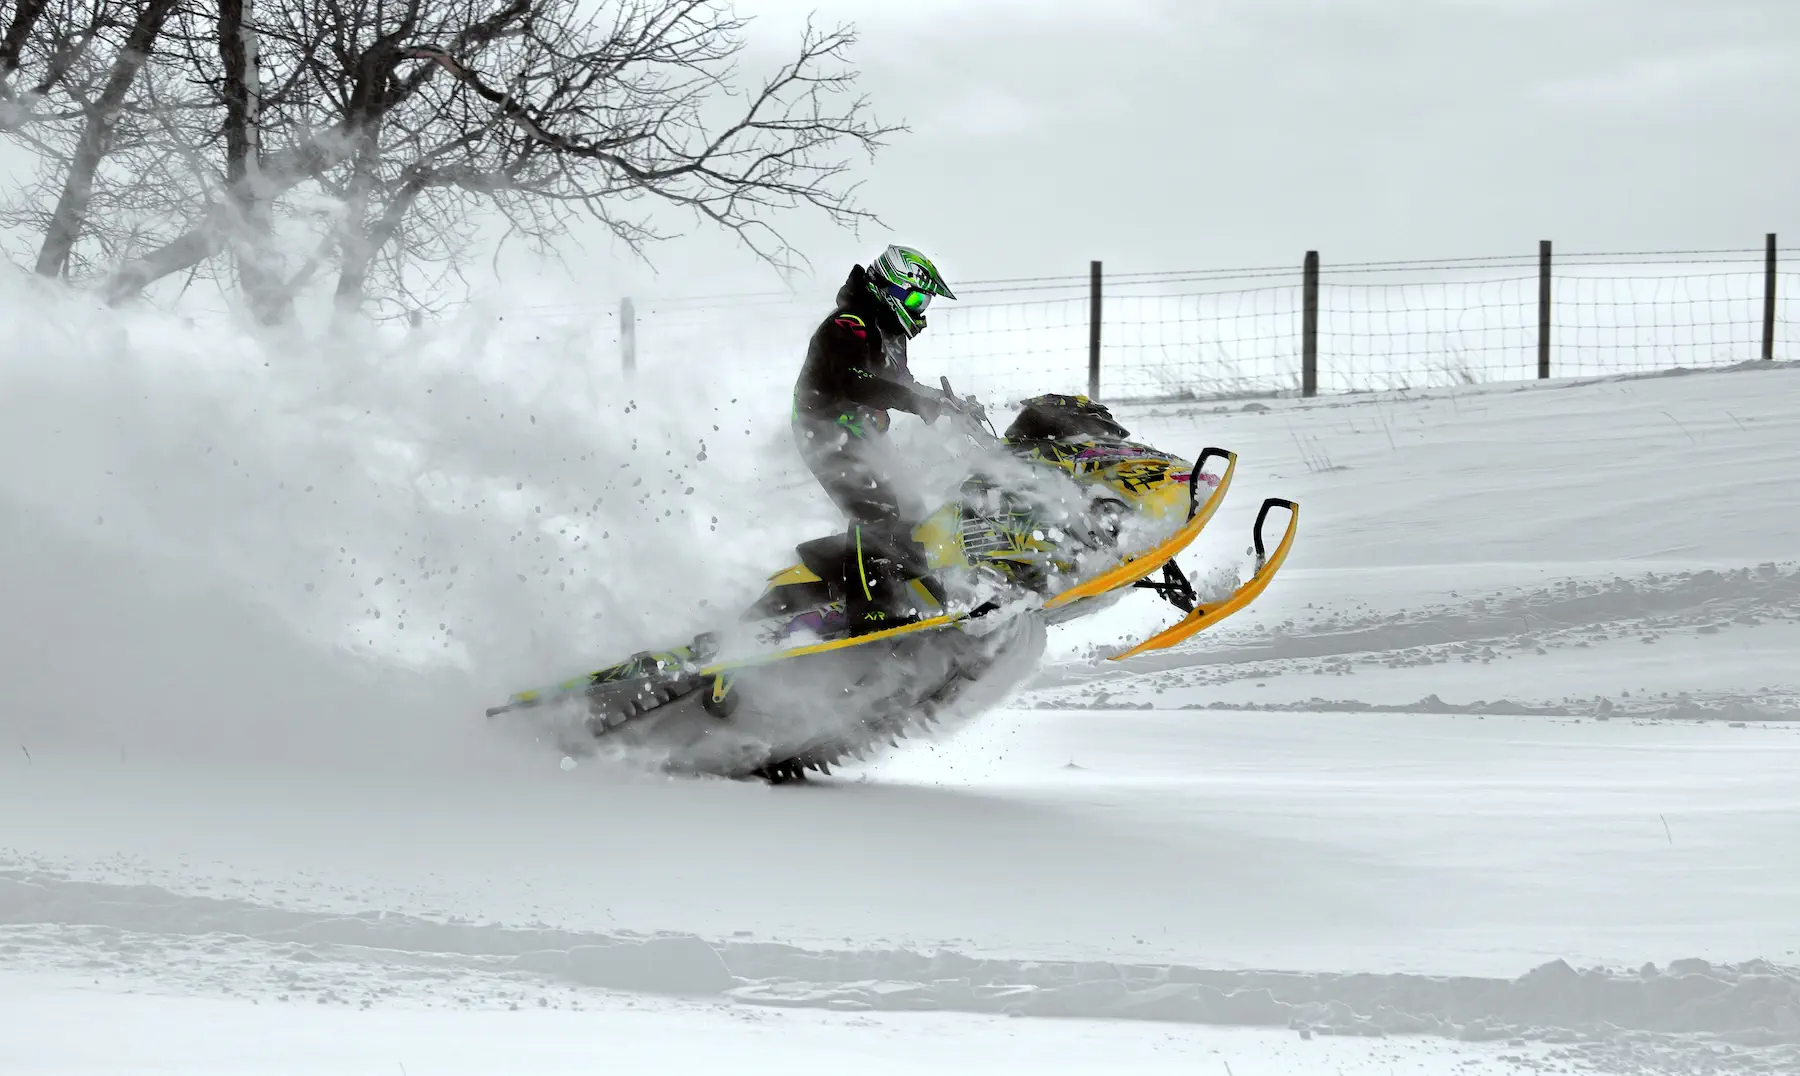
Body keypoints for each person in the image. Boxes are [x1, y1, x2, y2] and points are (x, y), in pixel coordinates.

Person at [791, 244, 961, 635]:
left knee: (912, 511)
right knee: (875, 511)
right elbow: (853, 380)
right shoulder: (848, 324)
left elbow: (900, 384)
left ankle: (917, 596)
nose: (920, 310)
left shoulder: (891, 336)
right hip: (824, 430)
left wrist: (943, 401)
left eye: (925, 303)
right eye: (916, 299)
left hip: (863, 436)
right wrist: (916, 401)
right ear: (889, 288)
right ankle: (871, 611)